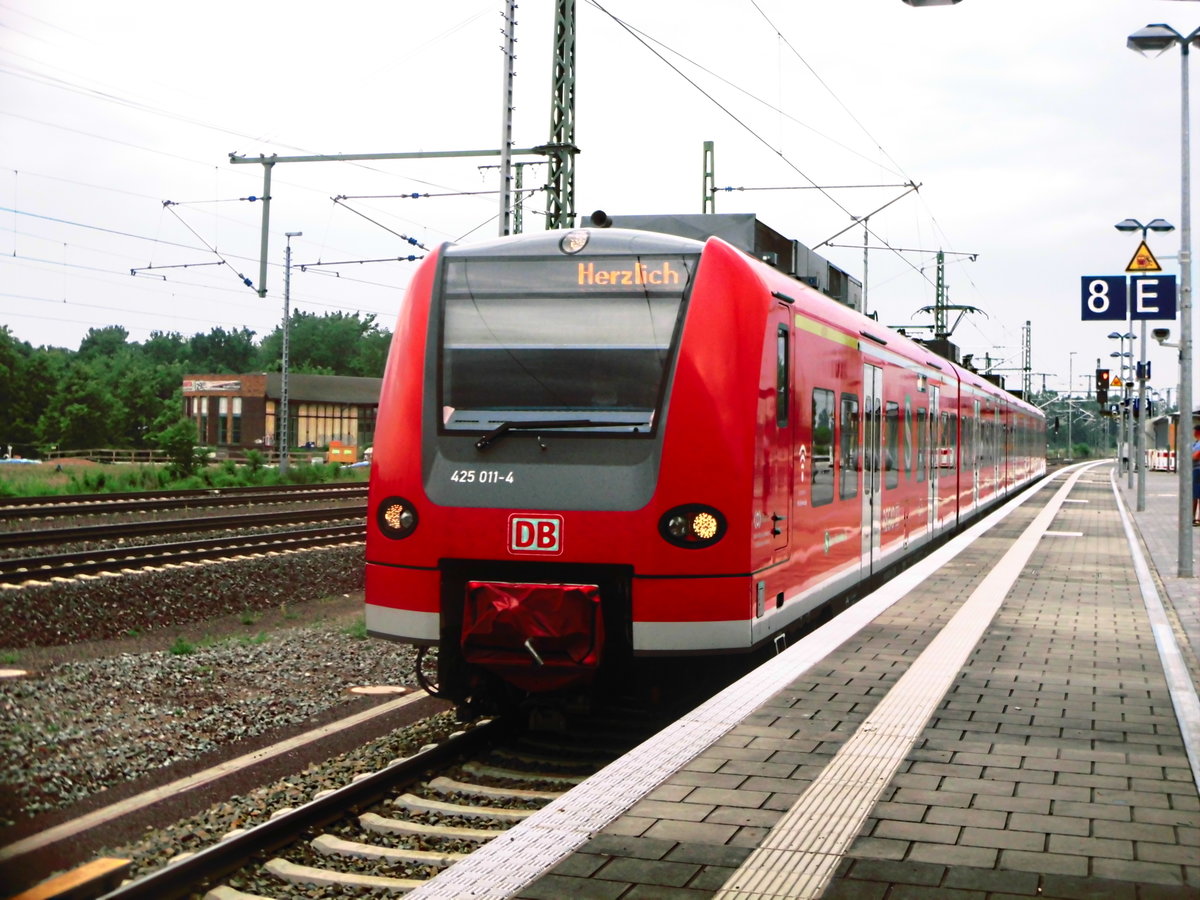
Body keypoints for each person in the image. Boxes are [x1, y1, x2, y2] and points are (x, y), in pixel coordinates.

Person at [1192, 422, 1200, 526]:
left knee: (1196, 495)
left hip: (1198, 470)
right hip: (1195, 470)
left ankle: (1196, 518)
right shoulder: (1195, 443)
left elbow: (1196, 456)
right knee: (1194, 495)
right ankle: (1193, 517)